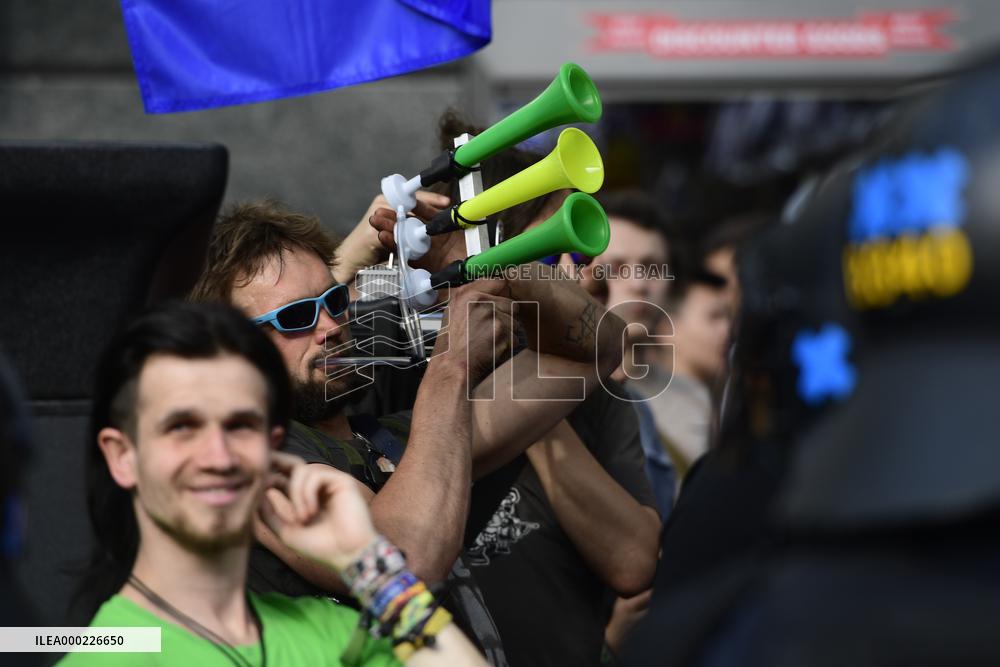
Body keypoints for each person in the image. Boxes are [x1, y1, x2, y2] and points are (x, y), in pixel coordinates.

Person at [189, 198, 623, 662]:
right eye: (296, 317)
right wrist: (451, 363)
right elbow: (402, 562)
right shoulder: (247, 466)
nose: (332, 327)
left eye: (333, 301)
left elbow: (601, 349)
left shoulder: (398, 437)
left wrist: (483, 262)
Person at [367, 116, 660, 667]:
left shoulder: (599, 389)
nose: (580, 268)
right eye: (553, 247)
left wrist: (533, 413)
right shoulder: (399, 359)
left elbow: (634, 562)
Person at [66, 301, 486, 666]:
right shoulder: (112, 652)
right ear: (124, 457)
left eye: (241, 426)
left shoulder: (328, 631)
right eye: (182, 426)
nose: (219, 455)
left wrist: (370, 565)